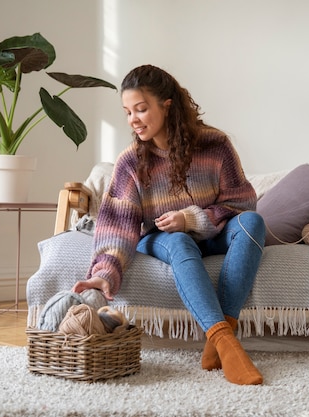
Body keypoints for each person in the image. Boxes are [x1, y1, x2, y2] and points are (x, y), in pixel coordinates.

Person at [71, 64, 266, 385]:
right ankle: (226, 343)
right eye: (127, 112)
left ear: (167, 105)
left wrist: (191, 219)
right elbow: (118, 224)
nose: (133, 119)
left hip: (212, 231)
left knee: (252, 222)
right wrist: (104, 273)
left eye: (141, 109)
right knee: (178, 241)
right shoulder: (130, 161)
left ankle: (220, 339)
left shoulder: (215, 145)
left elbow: (242, 202)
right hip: (160, 238)